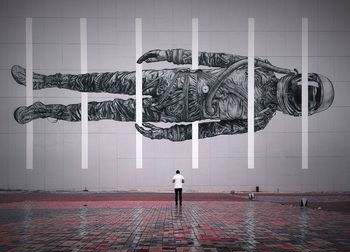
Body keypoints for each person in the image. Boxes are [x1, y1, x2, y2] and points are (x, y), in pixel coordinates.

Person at [11, 48, 334, 141]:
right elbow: (214, 60)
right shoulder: (260, 67)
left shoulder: (260, 120)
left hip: (170, 113)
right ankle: (43, 80)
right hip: (168, 81)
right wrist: (172, 54)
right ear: (298, 76)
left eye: (305, 99)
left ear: (300, 111)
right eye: (304, 88)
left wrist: (170, 135)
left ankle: (43, 111)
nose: (297, 94)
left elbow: (211, 129)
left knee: (102, 110)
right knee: (101, 80)